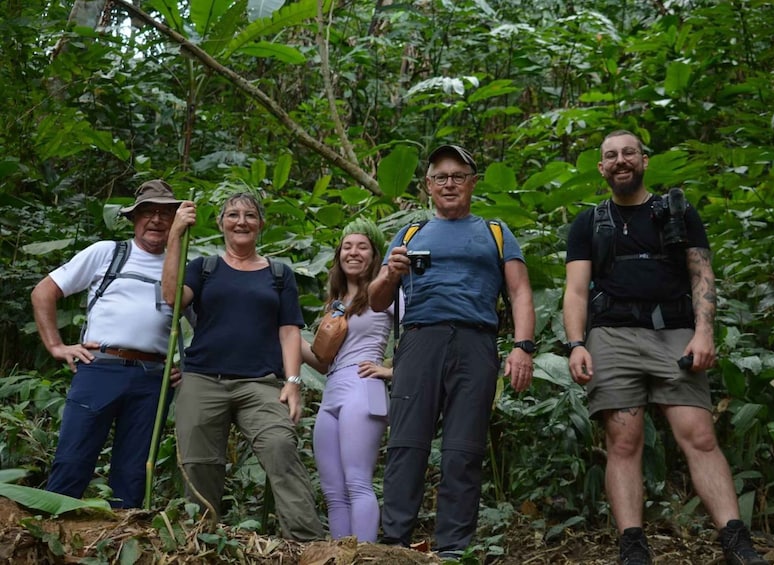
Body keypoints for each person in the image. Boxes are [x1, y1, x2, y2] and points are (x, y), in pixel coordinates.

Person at [562, 130, 768, 565]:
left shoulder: (677, 211)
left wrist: (704, 331)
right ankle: (633, 546)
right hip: (612, 336)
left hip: (674, 332)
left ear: (644, 160)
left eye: (629, 153)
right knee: (623, 441)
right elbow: (577, 291)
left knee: (699, 436)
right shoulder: (588, 223)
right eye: (611, 155)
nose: (621, 161)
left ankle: (736, 542)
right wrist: (576, 344)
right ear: (601, 167)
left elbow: (702, 276)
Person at [369, 144, 536, 560]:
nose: (449, 184)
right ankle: (394, 544)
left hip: (476, 342)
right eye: (440, 177)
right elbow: (374, 300)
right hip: (420, 340)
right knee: (407, 443)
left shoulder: (495, 232)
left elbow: (519, 292)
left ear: (472, 183)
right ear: (428, 186)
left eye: (458, 176)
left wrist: (522, 347)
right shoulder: (409, 233)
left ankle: (452, 549)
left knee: (464, 449)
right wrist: (391, 271)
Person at [162, 192, 324, 541]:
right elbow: (172, 298)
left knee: (281, 446)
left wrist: (293, 381)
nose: (241, 221)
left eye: (250, 215)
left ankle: (309, 544)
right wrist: (175, 234)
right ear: (221, 223)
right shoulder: (204, 267)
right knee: (199, 465)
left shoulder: (279, 274)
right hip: (203, 378)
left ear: (261, 224)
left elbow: (289, 331)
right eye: (232, 214)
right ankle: (202, 541)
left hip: (261, 383)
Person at [31, 179, 182, 508]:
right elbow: (44, 291)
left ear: (175, 222)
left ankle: (119, 546)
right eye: (147, 212)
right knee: (73, 459)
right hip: (99, 367)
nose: (156, 219)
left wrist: (189, 368)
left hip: (153, 378)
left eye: (164, 213)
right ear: (133, 218)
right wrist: (57, 346)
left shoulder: (184, 267)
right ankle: (50, 537)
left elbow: (209, 323)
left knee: (133, 472)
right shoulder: (107, 253)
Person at [301, 218, 396, 543]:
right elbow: (322, 361)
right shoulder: (337, 301)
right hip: (333, 391)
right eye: (347, 246)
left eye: (362, 246)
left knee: (357, 481)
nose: (353, 252)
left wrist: (392, 370)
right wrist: (285, 333)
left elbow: (419, 336)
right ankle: (340, 555)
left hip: (363, 387)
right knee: (333, 490)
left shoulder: (386, 293)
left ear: (374, 254)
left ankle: (366, 554)